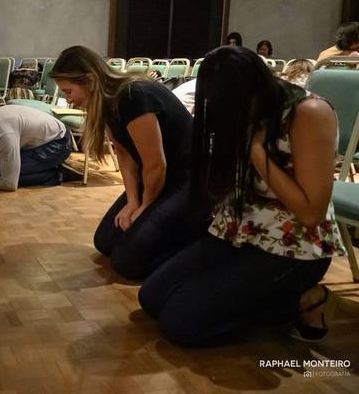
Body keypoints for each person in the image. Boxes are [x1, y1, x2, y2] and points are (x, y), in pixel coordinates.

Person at [138, 46, 346, 346]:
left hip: (292, 246)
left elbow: (311, 213)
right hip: (237, 231)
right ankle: (255, 297)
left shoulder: (308, 113)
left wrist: (257, 152)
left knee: (180, 323)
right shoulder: (237, 108)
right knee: (152, 298)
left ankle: (299, 299)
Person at [50, 45, 204, 280]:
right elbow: (125, 154)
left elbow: (156, 163)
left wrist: (144, 206)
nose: (69, 100)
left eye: (69, 92)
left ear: (90, 80)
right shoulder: (107, 102)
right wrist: (132, 201)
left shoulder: (133, 95)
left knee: (127, 263)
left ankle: (195, 242)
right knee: (105, 242)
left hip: (188, 179)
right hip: (160, 177)